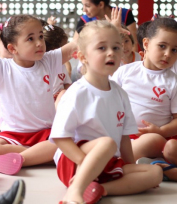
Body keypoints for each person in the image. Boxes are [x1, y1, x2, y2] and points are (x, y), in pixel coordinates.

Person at [50, 20, 162, 204]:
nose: (111, 52)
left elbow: (125, 139)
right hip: (74, 162)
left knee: (154, 173)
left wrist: (130, 169)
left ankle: (99, 189)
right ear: (83, 56)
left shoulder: (120, 93)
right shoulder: (77, 92)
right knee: (107, 143)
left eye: (116, 48)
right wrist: (83, 163)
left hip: (108, 163)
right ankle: (75, 189)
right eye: (102, 48)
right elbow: (61, 138)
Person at [0, 14, 77, 175]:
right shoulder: (0, 67)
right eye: (30, 39)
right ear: (12, 48)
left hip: (46, 132)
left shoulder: (48, 60)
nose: (39, 43)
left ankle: (21, 160)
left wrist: (110, 28)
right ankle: (41, 155)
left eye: (40, 36)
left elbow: (76, 45)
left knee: (66, 142)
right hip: (13, 135)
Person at [111, 17, 177, 182]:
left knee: (164, 145)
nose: (168, 54)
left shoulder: (173, 82)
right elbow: (109, 103)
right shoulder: (124, 72)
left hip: (156, 137)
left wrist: (161, 131)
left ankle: (116, 166)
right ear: (146, 44)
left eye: (175, 50)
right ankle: (154, 166)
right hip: (123, 134)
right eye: (162, 46)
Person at [41, 22, 72, 107]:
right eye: (65, 48)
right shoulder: (38, 67)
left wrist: (64, 94)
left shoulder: (62, 66)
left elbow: (67, 83)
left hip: (60, 103)